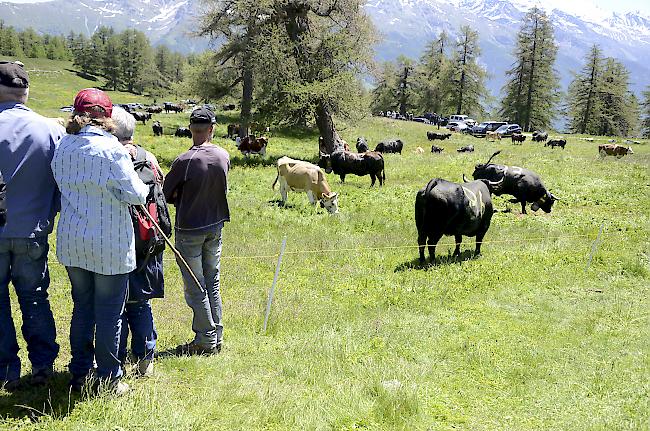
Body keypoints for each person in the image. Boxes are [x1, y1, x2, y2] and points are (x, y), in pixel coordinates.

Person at [52, 89, 149, 395]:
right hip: (109, 243)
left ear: (76, 113)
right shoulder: (112, 149)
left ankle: (80, 372)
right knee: (109, 312)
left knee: (82, 308)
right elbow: (135, 193)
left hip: (73, 239)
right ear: (107, 117)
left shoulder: (64, 145)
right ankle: (109, 379)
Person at [0, 61, 64, 390]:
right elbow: (62, 181)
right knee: (35, 297)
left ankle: (6, 369)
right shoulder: (51, 129)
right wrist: (49, 213)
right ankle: (42, 366)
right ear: (26, 92)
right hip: (34, 230)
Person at [163, 107, 230, 355]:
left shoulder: (184, 161)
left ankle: (206, 339)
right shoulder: (224, 155)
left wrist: (181, 193)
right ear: (212, 129)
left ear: (191, 129)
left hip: (190, 228)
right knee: (212, 282)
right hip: (216, 226)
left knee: (195, 286)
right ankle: (216, 335)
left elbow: (166, 194)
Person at [111, 106, 168, 377]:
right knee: (141, 301)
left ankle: (117, 358)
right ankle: (146, 359)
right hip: (148, 238)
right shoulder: (150, 157)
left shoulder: (112, 157)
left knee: (118, 302)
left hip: (120, 238)